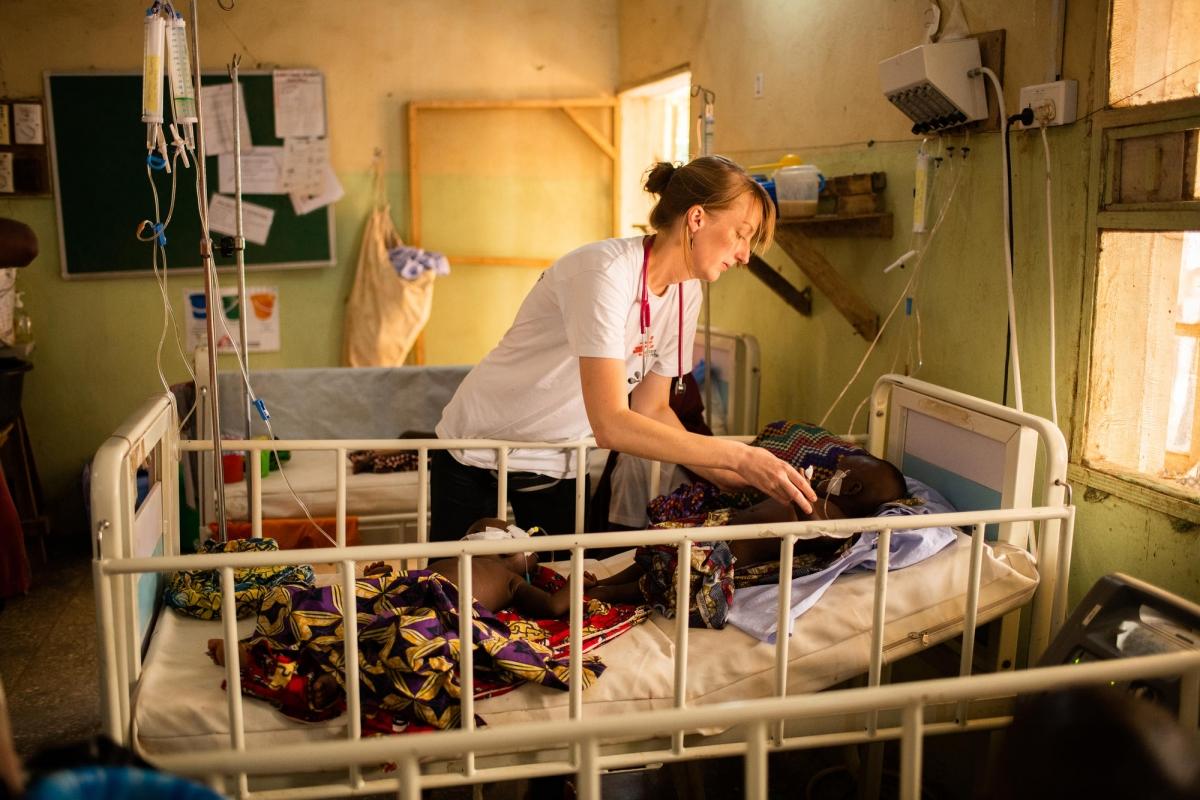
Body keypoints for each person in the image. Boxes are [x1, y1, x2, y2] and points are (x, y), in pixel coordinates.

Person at [431, 156, 816, 541]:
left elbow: (651, 409)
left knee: (559, 589)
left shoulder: (687, 293)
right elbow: (611, 423)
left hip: (558, 460)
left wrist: (738, 477)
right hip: (477, 449)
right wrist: (741, 456)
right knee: (456, 592)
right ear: (697, 218)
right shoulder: (605, 274)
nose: (745, 255)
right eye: (741, 234)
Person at [588, 452, 909, 627]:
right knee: (656, 554)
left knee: (661, 579)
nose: (832, 471)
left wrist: (803, 503)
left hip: (722, 555)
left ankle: (605, 593)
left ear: (851, 489)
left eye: (842, 471)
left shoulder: (835, 518)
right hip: (716, 529)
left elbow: (818, 533)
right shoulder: (823, 500)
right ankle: (603, 582)